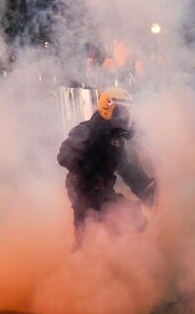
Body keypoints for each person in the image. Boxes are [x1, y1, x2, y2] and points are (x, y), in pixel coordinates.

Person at [57, 87, 156, 245]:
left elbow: (128, 169)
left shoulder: (116, 140)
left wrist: (147, 189)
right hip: (82, 190)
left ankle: (111, 259)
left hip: (103, 190)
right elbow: (64, 156)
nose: (124, 117)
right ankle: (80, 264)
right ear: (107, 108)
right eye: (120, 112)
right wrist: (88, 172)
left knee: (135, 219)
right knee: (87, 235)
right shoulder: (87, 131)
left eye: (126, 112)